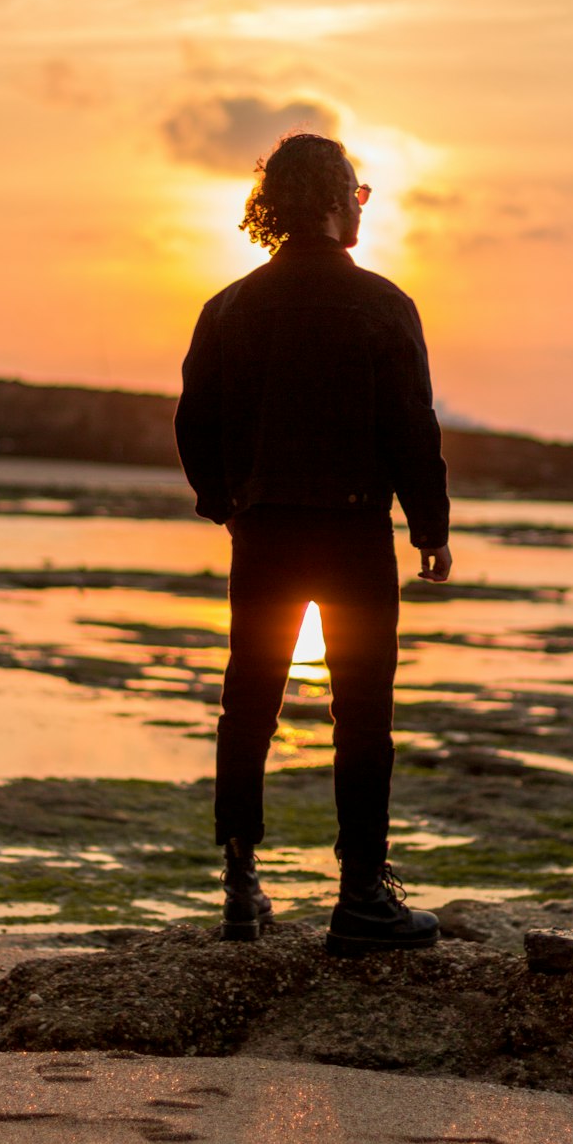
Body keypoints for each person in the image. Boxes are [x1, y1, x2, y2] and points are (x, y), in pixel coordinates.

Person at [174, 132, 451, 955]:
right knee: (361, 714)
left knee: (249, 703)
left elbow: (195, 421)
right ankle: (362, 895)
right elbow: (412, 427)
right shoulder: (384, 305)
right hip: (357, 529)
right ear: (333, 199)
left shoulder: (228, 307)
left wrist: (226, 503)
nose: (364, 208)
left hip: (265, 530)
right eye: (360, 195)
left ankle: (238, 886)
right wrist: (429, 526)